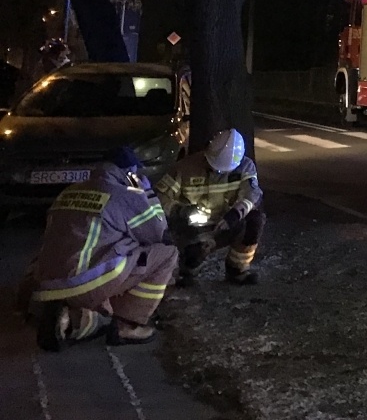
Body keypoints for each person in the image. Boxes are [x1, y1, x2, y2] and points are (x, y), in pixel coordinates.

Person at [28, 147, 177, 349]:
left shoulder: (70, 190)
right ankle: (126, 325)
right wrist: (147, 194)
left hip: (45, 283)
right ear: (129, 172)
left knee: (110, 248)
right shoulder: (125, 195)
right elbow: (158, 234)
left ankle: (69, 319)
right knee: (166, 254)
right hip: (83, 284)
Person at [155, 129, 265, 285]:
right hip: (194, 228)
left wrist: (234, 215)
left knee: (254, 221)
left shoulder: (245, 167)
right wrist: (181, 210)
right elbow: (160, 197)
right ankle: (187, 270)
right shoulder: (185, 168)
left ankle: (237, 269)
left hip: (225, 224)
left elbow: (252, 195)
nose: (218, 172)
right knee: (192, 256)